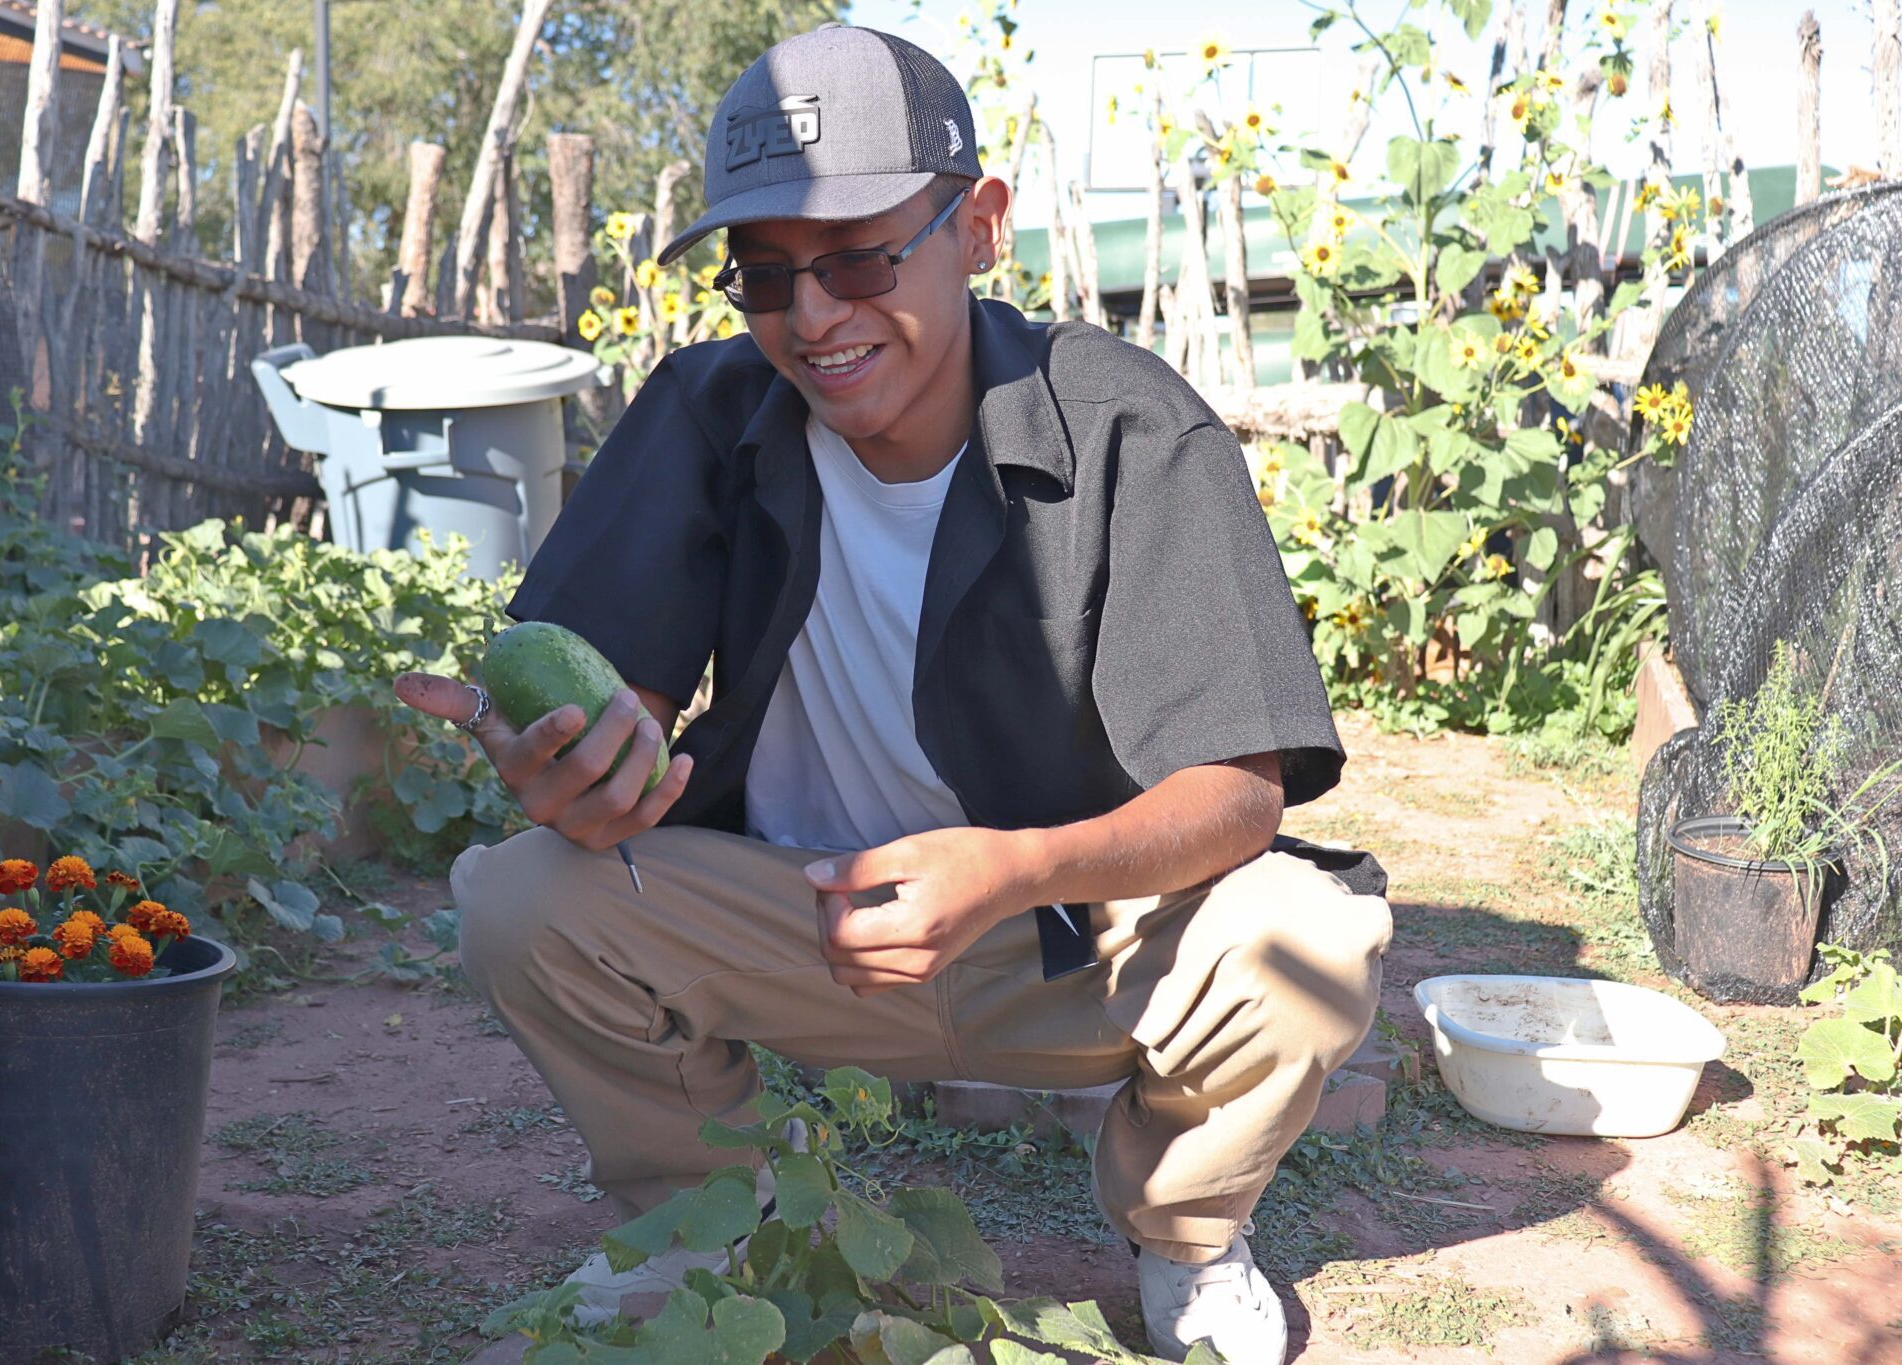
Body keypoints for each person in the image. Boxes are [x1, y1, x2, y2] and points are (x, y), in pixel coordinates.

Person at [395, 23, 1390, 1365]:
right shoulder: (704, 409)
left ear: (978, 226)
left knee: (1310, 939)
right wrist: (580, 768)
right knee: (517, 896)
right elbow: (607, 686)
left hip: (1064, 935)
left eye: (860, 256)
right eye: (767, 273)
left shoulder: (1126, 426)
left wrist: (1015, 866)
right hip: (794, 919)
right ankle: (705, 1226)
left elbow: (1241, 787)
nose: (812, 317)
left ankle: (1189, 1234)